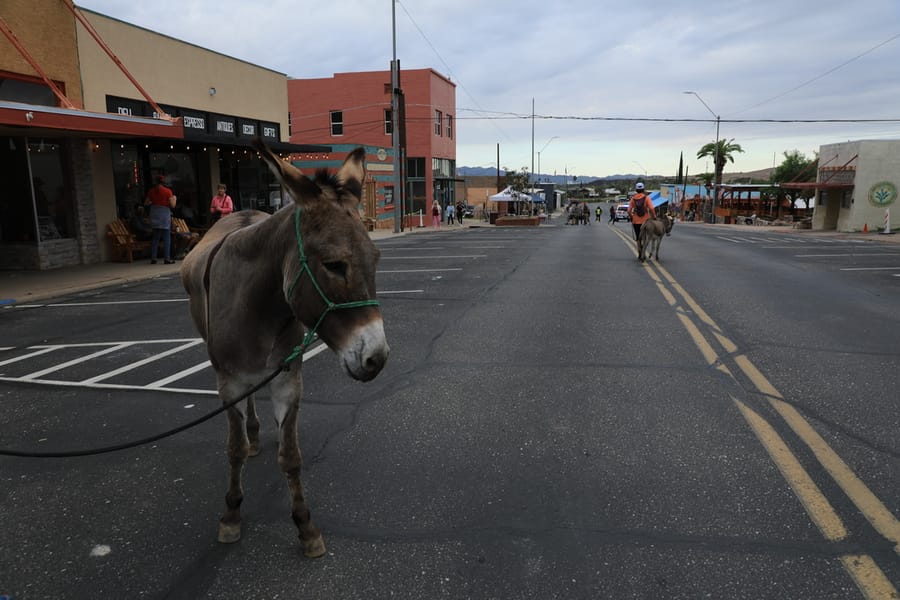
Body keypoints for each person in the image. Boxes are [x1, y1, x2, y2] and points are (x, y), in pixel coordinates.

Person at [144, 175, 176, 264]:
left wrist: (153, 202)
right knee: (166, 238)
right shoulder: (167, 191)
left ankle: (153, 258)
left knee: (155, 237)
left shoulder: (151, 191)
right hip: (164, 214)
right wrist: (175, 199)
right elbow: (172, 205)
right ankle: (167, 258)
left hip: (154, 213)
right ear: (163, 182)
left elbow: (146, 203)